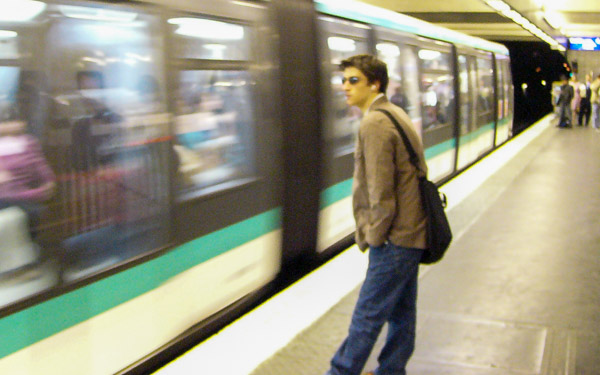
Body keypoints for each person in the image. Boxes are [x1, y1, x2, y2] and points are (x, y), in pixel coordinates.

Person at [325, 54, 427, 375]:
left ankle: (340, 372)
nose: (345, 87)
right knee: (402, 312)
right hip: (412, 233)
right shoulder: (394, 112)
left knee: (367, 316)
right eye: (343, 80)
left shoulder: (375, 123)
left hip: (395, 238)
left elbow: (381, 194)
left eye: (353, 80)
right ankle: (393, 370)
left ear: (375, 83)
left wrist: (374, 237)